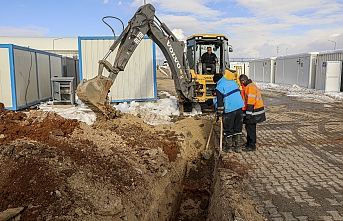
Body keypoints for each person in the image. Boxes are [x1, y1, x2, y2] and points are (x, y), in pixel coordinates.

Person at [213, 74, 244, 153]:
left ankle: (229, 147)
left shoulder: (219, 87)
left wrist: (219, 114)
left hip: (230, 109)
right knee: (238, 127)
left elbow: (220, 103)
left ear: (217, 81)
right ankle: (237, 147)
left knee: (228, 128)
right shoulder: (233, 82)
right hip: (239, 107)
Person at [239, 74, 266, 152]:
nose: (241, 84)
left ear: (243, 80)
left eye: (241, 82)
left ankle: (252, 146)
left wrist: (248, 113)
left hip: (254, 112)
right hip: (253, 111)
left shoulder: (250, 87)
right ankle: (248, 143)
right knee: (248, 127)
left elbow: (251, 101)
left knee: (251, 128)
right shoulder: (248, 86)